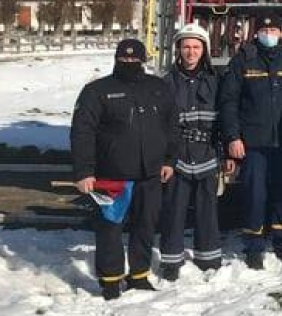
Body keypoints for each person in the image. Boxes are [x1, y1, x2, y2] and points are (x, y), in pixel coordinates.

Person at [70, 39, 178, 300]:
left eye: (134, 60)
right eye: (124, 59)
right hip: (112, 175)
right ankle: (110, 280)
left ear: (143, 61)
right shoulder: (97, 90)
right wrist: (84, 171)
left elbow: (171, 126)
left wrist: (169, 160)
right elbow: (82, 133)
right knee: (110, 227)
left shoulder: (159, 88)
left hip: (150, 173)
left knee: (145, 224)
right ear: (116, 59)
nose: (129, 63)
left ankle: (139, 274)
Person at [218, 11, 282, 270]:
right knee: (254, 195)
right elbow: (229, 102)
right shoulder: (243, 60)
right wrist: (233, 137)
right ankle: (254, 247)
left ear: (281, 33)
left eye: (274, 31)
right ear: (255, 33)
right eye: (264, 31)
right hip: (253, 143)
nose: (269, 35)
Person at [159, 24, 230, 281]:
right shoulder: (166, 82)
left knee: (207, 209)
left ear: (204, 50)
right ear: (178, 49)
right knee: (173, 210)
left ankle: (208, 257)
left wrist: (226, 155)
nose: (191, 52)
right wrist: (165, 159)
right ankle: (170, 261)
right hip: (176, 156)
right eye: (186, 47)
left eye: (196, 47)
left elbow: (225, 119)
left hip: (207, 154)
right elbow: (160, 125)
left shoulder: (216, 81)